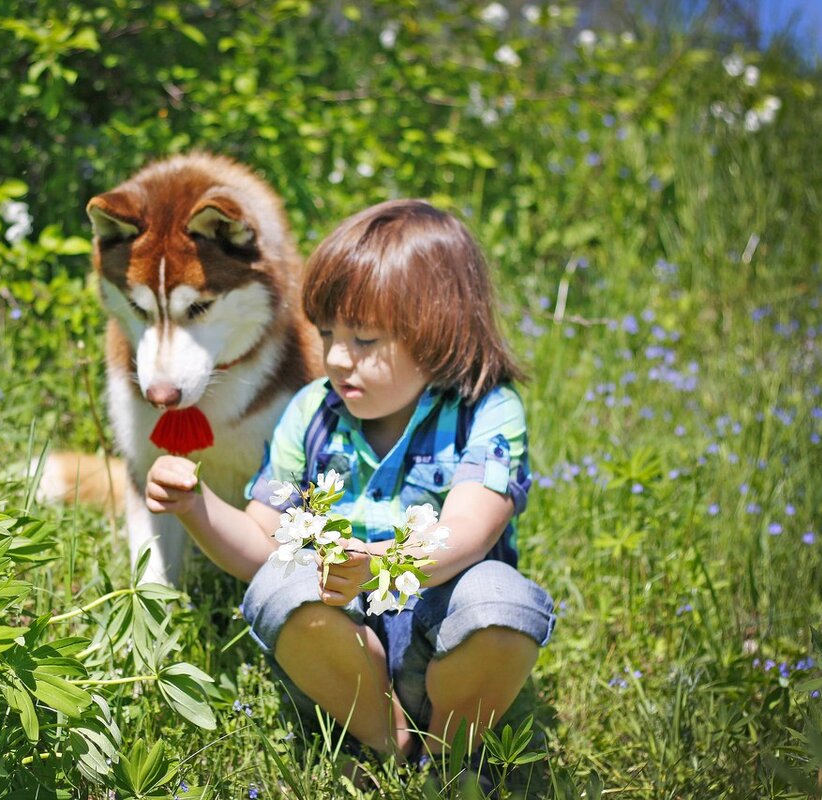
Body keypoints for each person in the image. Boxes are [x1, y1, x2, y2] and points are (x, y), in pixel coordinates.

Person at [144, 199, 555, 762]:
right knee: (276, 584)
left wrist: (382, 563)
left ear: (439, 335)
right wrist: (195, 505)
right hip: (341, 656)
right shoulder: (312, 412)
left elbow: (469, 532)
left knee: (502, 599)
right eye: (328, 333)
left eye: (364, 339)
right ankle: (386, 743)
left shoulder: (484, 411)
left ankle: (453, 753)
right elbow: (262, 547)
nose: (336, 357)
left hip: (445, 635)